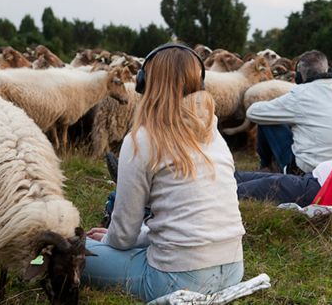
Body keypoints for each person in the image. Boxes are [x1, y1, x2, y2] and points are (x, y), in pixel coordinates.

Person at [82, 44, 245, 302]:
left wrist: (109, 240)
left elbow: (123, 236)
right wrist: (141, 238)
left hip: (177, 279)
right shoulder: (213, 134)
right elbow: (188, 221)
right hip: (234, 269)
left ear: (144, 83)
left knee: (66, 250)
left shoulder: (142, 140)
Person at [246, 50, 332, 174]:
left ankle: (266, 166)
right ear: (329, 71)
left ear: (299, 77)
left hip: (309, 171)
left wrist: (275, 107)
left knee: (266, 119)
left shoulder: (301, 95)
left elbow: (253, 112)